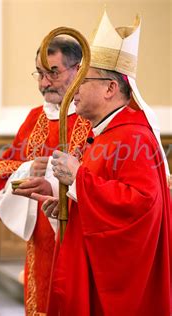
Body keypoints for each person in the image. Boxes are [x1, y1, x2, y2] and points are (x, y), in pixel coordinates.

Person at [35, 12, 171, 315]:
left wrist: (78, 179)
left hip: (117, 289)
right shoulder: (107, 134)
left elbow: (140, 205)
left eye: (83, 79)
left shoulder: (133, 138)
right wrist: (70, 204)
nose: (74, 88)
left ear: (110, 88)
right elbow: (107, 195)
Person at [0, 36, 91, 315]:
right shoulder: (35, 118)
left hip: (82, 237)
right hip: (43, 242)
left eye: (53, 72)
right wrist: (28, 169)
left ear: (78, 70)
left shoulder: (94, 115)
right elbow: (2, 169)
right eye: (40, 72)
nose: (44, 82)